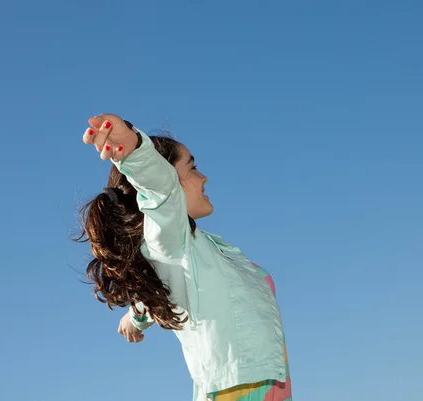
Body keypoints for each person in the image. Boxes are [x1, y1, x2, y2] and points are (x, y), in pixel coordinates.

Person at [77, 114, 292, 401]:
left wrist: (136, 317)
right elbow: (161, 191)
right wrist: (134, 150)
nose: (204, 178)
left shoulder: (195, 249)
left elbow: (164, 286)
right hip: (235, 390)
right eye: (192, 168)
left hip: (264, 383)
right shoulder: (170, 242)